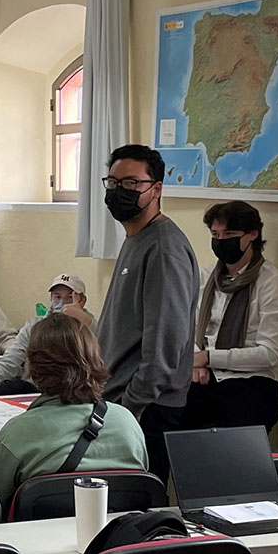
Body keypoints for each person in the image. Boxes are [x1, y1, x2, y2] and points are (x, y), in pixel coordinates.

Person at [97, 144, 199, 482]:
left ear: (156, 189)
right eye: (112, 183)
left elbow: (166, 341)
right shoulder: (135, 238)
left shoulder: (164, 248)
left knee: (135, 508)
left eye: (130, 184)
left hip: (147, 408)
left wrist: (132, 406)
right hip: (120, 401)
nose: (119, 192)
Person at [0, 314, 148, 510]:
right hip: (118, 537)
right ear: (96, 357)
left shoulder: (17, 433)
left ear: (34, 365)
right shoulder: (127, 422)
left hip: (36, 538)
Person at [183, 201, 278, 433]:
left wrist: (209, 358)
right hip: (203, 374)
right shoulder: (205, 278)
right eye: (216, 234)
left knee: (231, 432)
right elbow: (187, 329)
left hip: (251, 381)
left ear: (252, 234)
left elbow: (270, 353)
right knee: (162, 413)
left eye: (230, 234)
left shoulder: (273, 284)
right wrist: (196, 359)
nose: (221, 240)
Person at [0, 273, 93, 397]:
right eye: (57, 297)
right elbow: (12, 358)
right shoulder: (35, 326)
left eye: (70, 297)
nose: (62, 302)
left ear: (82, 301)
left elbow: (103, 360)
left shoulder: (92, 326)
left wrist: (86, 322)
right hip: (35, 391)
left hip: (76, 392)